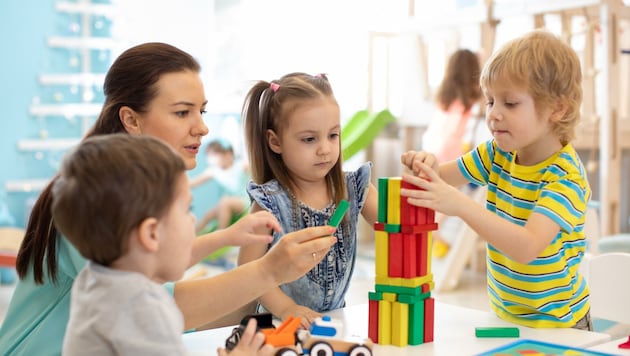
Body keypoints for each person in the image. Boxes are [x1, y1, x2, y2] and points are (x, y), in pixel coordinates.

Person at [0, 43, 337, 355]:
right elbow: (158, 306)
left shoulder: (117, 185)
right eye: (182, 113)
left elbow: (143, 260)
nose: (202, 128)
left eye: (202, 111)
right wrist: (268, 270)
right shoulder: (99, 196)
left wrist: (226, 237)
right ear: (131, 119)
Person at [400, 30, 592, 329]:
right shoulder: (496, 153)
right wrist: (427, 164)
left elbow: (527, 247)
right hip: (507, 315)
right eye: (490, 102)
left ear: (557, 108)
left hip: (560, 326)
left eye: (510, 103)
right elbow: (444, 175)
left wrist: (461, 206)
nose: (494, 115)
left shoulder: (564, 177)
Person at [53, 134, 271, 355]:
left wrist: (227, 236)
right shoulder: (144, 309)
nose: (193, 220)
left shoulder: (95, 279)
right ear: (151, 234)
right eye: (188, 210)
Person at [238, 72, 379, 328]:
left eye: (333, 135)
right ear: (275, 141)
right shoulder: (269, 202)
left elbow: (396, 223)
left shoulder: (355, 188)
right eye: (309, 139)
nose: (325, 148)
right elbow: (247, 272)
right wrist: (287, 308)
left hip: (335, 322)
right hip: (277, 325)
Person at [421, 48, 482, 258]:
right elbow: (469, 133)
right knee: (453, 199)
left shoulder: (444, 98)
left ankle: (435, 233)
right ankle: (437, 234)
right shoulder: (472, 100)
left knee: (440, 201)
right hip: (456, 157)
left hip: (435, 154)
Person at [190, 138, 250, 234]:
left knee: (224, 201)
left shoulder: (241, 166)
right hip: (232, 201)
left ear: (228, 155)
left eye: (214, 155)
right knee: (209, 214)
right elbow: (193, 183)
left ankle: (221, 232)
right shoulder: (214, 171)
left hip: (246, 200)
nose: (211, 159)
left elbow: (259, 170)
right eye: (209, 156)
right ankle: (192, 236)